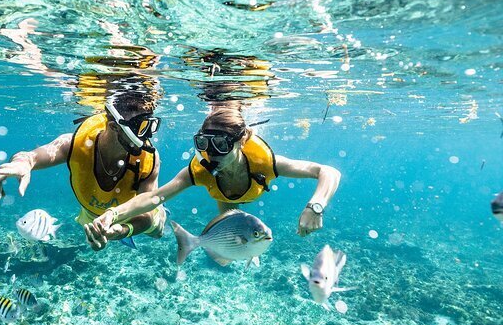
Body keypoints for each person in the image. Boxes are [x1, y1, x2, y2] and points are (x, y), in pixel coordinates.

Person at [85, 107, 341, 250]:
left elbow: (328, 172)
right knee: (230, 238)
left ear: (243, 139)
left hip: (246, 188)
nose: (211, 153)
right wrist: (113, 214)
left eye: (220, 144)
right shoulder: (201, 169)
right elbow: (154, 197)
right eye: (204, 144)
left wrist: (315, 206)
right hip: (225, 201)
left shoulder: (264, 163)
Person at [0, 92, 166, 249]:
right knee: (94, 230)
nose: (147, 137)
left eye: (150, 126)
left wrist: (121, 231)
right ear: (114, 126)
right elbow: (32, 156)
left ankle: (163, 211)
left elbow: (147, 213)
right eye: (141, 128)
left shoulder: (149, 160)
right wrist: (23, 163)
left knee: (157, 232)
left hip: (133, 213)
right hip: (92, 215)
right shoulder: (74, 145)